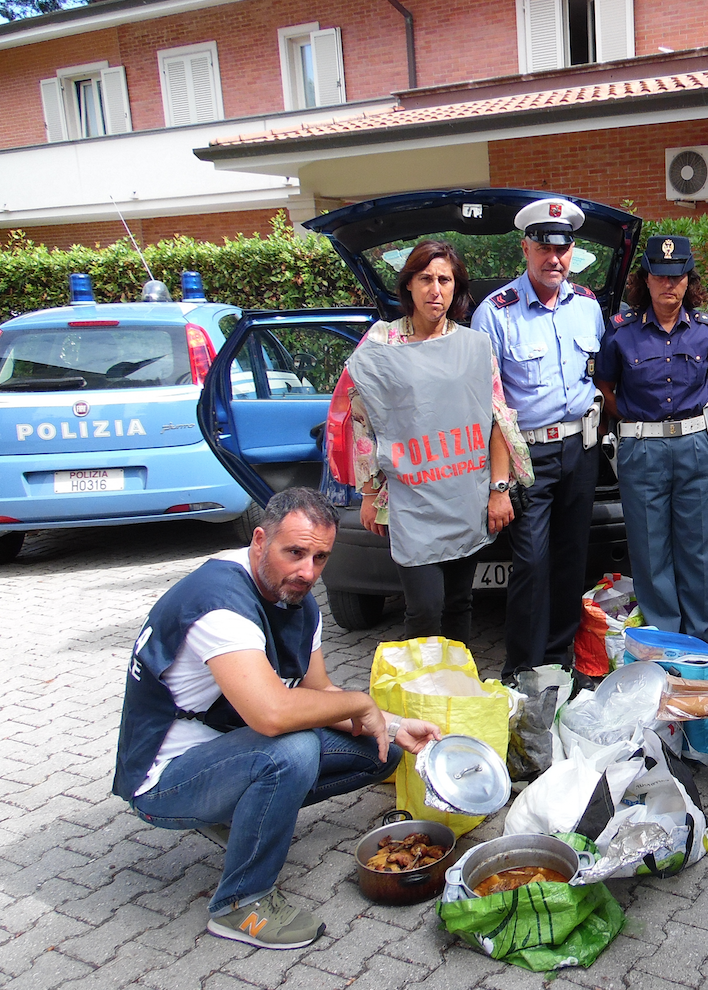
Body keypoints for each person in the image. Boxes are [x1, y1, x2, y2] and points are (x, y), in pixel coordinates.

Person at [112, 488, 445, 949]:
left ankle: (239, 813)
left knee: (379, 751)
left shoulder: (296, 597)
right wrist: (358, 703)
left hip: (225, 746)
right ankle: (239, 904)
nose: (307, 571)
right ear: (259, 540)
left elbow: (316, 692)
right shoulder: (220, 601)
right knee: (291, 749)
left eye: (320, 557)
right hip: (165, 778)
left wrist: (389, 723)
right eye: (295, 552)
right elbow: (272, 715)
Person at [347, 239, 530, 644]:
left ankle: (458, 689)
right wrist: (367, 492)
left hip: (464, 494)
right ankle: (422, 695)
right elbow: (363, 422)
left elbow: (498, 417)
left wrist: (499, 489)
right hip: (411, 499)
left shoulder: (474, 346)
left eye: (444, 280)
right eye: (425, 278)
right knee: (425, 607)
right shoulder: (380, 347)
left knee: (459, 602)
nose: (436, 289)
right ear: (408, 285)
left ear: (456, 287)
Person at [470, 198, 605, 680]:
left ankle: (561, 661)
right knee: (531, 563)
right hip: (527, 453)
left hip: (581, 449)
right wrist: (498, 484)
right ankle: (523, 670)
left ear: (573, 250)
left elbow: (598, 378)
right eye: (544, 248)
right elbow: (491, 406)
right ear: (524, 248)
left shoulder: (588, 306)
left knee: (572, 560)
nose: (554, 258)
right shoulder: (496, 313)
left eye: (563, 248)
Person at [596, 235, 708, 641]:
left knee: (696, 549)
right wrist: (628, 417)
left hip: (695, 447)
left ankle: (699, 641)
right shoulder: (621, 333)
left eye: (676, 277)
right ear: (647, 280)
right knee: (649, 551)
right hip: (642, 449)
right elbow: (605, 386)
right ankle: (664, 645)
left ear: (687, 280)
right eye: (660, 276)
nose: (668, 285)